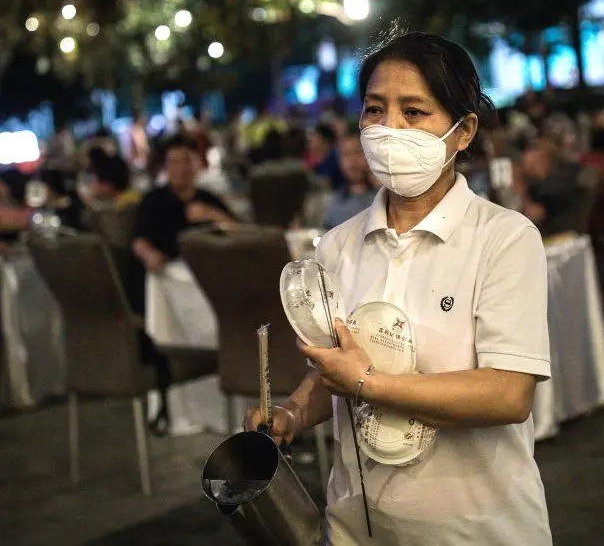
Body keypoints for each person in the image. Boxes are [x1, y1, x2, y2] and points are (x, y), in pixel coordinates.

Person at [244, 32, 552, 545]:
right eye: (375, 110)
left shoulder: (504, 239)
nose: (390, 129)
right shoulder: (338, 248)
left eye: (414, 112)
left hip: (477, 529)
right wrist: (294, 411)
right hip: (359, 528)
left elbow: (507, 393)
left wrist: (367, 383)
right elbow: (331, 370)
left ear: (463, 131)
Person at [132, 135, 236, 274]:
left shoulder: (208, 199)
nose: (181, 168)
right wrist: (150, 255)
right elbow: (139, 240)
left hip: (209, 273)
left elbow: (238, 232)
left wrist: (212, 214)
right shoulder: (153, 201)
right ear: (165, 167)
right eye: (174, 162)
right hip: (169, 275)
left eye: (186, 161)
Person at [323, 127, 377, 229]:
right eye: (346, 154)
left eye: (358, 152)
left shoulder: (385, 198)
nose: (352, 161)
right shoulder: (332, 202)